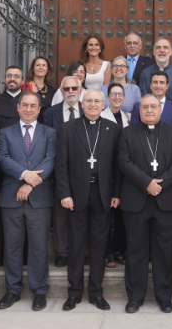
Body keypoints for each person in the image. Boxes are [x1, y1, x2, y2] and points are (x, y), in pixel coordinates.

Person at [118, 94, 172, 313]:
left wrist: (161, 184)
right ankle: (135, 297)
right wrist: (147, 183)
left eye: (153, 107)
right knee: (135, 251)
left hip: (164, 201)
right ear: (139, 110)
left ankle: (164, 297)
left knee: (164, 252)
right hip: (136, 200)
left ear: (160, 109)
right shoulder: (128, 133)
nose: (149, 110)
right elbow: (124, 162)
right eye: (145, 107)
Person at [55, 89, 122, 311]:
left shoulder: (113, 129)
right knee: (75, 245)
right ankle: (74, 292)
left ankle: (96, 293)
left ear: (104, 104)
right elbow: (61, 165)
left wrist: (116, 193)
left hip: (103, 194)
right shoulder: (68, 128)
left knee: (99, 246)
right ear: (82, 104)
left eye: (97, 101)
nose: (93, 104)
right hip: (75, 195)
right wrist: (64, 193)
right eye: (89, 101)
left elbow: (118, 166)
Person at [0, 91, 57, 312]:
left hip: (39, 199)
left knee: (39, 247)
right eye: (25, 105)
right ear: (18, 107)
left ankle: (39, 291)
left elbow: (50, 159)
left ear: (40, 109)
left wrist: (31, 183)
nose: (29, 109)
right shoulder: (5, 132)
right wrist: (24, 174)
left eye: (33, 106)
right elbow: (2, 158)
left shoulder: (50, 133)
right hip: (11, 198)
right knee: (12, 247)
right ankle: (12, 290)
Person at [40, 76, 84, 268]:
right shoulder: (50, 113)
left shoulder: (88, 109)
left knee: (83, 213)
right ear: (61, 91)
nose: (71, 92)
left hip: (85, 170)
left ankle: (82, 250)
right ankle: (62, 252)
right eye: (67, 89)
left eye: (74, 88)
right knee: (60, 216)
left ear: (80, 89)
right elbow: (45, 145)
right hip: (59, 171)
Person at [102, 82, 130, 268]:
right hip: (106, 170)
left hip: (123, 170)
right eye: (114, 93)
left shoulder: (128, 116)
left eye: (120, 94)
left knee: (121, 215)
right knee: (105, 214)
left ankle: (119, 249)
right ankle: (106, 252)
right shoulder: (102, 115)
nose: (117, 97)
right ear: (108, 97)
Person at [138, 37, 172, 106]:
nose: (162, 50)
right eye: (158, 47)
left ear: (170, 52)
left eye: (165, 47)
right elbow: (143, 99)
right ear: (154, 52)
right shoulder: (145, 74)